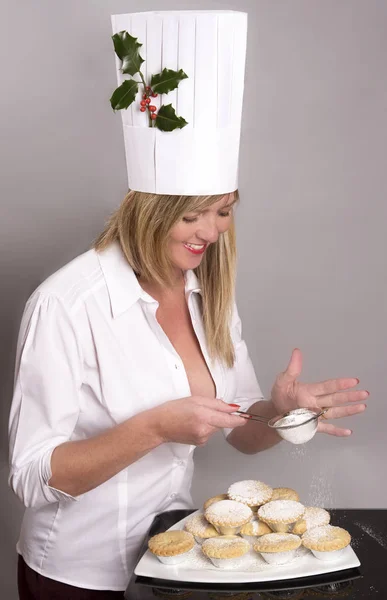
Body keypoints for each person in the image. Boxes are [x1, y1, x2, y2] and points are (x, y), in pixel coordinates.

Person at [8, 10, 368, 600]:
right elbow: (32, 475)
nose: (210, 230)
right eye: (191, 212)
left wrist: (277, 412)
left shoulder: (210, 295)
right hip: (76, 574)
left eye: (223, 210)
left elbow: (243, 432)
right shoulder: (65, 304)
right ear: (148, 208)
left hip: (174, 560)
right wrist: (154, 427)